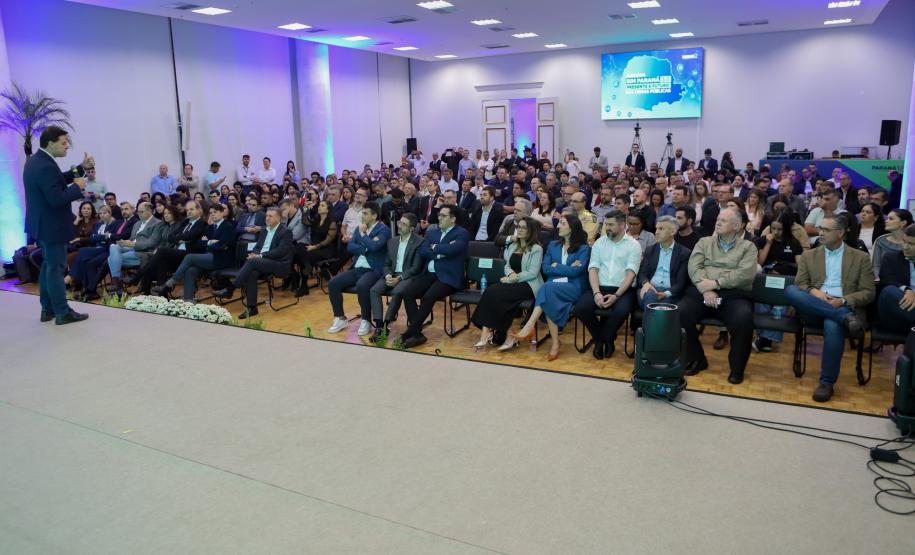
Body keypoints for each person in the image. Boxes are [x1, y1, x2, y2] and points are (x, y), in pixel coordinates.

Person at [785, 213, 875, 402]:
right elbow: (801, 283)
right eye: (820, 228)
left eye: (826, 229)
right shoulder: (810, 255)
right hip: (814, 305)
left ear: (841, 232)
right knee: (791, 290)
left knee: (832, 324)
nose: (821, 232)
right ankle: (843, 317)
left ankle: (826, 383)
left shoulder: (860, 258)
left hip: (842, 302)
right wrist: (815, 292)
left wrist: (843, 301)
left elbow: (868, 292)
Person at [23, 126, 95, 324]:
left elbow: (58, 179)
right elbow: (56, 198)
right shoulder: (45, 165)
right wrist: (77, 187)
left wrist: (80, 168)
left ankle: (47, 310)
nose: (67, 146)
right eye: (63, 143)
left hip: (43, 224)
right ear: (50, 143)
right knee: (56, 268)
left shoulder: (37, 161)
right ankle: (62, 312)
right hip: (52, 225)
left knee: (49, 266)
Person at [676, 208, 757, 384]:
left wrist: (716, 283)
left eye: (724, 220)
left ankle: (737, 369)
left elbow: (745, 274)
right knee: (680, 312)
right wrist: (705, 289)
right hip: (702, 291)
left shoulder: (748, 247)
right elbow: (694, 267)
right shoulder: (704, 242)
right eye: (718, 219)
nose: (718, 222)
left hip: (734, 295)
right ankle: (697, 359)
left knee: (744, 318)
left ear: (736, 226)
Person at [511, 214, 590, 360]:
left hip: (574, 287)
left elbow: (577, 271)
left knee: (547, 288)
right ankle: (554, 343)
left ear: (572, 228)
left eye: (562, 223)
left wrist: (557, 266)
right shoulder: (553, 245)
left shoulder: (583, 249)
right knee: (549, 293)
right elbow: (546, 269)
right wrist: (566, 267)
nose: (558, 226)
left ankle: (530, 326)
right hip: (554, 285)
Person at [397, 205, 469, 349]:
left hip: (448, 277)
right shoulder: (432, 232)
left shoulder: (461, 233)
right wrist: (441, 251)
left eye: (443, 216)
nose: (439, 218)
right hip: (429, 274)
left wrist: (435, 247)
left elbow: (453, 249)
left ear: (453, 219)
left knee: (428, 297)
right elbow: (423, 250)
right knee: (407, 293)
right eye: (439, 215)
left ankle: (411, 331)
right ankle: (417, 333)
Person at [573, 209, 641, 359]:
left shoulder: (633, 245)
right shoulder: (599, 242)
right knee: (580, 309)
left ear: (623, 225)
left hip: (623, 289)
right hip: (600, 286)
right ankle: (601, 339)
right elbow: (593, 269)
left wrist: (616, 296)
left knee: (621, 311)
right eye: (606, 224)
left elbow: (630, 274)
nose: (607, 228)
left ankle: (605, 338)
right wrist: (596, 292)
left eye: (611, 224)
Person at [471, 217, 544, 351]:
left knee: (494, 293)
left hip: (528, 284)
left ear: (531, 230)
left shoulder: (536, 248)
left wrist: (512, 279)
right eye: (519, 227)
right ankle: (497, 334)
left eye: (524, 228)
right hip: (512, 281)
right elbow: (507, 265)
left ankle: (487, 334)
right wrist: (510, 274)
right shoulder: (513, 245)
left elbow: (532, 273)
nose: (520, 230)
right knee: (492, 292)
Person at [213, 207, 293, 319]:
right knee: (251, 273)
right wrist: (254, 253)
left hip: (279, 264)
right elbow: (257, 247)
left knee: (252, 262)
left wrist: (259, 256)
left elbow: (281, 251)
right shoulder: (264, 230)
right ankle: (252, 308)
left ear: (279, 218)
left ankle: (231, 289)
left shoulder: (286, 231)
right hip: (262, 262)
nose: (267, 218)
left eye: (270, 216)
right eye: (266, 216)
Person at [326, 202, 392, 336]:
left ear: (374, 215)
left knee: (362, 285)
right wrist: (365, 247)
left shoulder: (384, 230)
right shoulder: (359, 228)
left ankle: (366, 319)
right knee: (333, 283)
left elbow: (375, 246)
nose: (362, 215)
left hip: (374, 270)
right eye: (362, 212)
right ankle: (340, 318)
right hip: (357, 268)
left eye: (365, 213)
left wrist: (363, 236)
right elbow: (351, 247)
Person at [151, 203, 237, 300]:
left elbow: (222, 246)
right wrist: (209, 242)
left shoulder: (228, 227)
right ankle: (189, 300)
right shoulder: (210, 227)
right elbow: (199, 243)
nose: (212, 214)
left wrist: (207, 243)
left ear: (222, 213)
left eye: (215, 212)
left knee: (190, 257)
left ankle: (168, 284)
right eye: (211, 213)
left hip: (222, 259)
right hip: (208, 257)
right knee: (190, 270)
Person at [369, 213, 426, 342]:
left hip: (407, 276)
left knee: (398, 291)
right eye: (400, 222)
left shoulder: (419, 242)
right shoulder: (392, 241)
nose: (399, 226)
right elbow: (387, 264)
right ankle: (378, 325)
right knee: (374, 290)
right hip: (392, 274)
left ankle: (386, 325)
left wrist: (399, 278)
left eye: (404, 224)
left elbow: (415, 268)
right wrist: (388, 275)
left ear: (412, 228)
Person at [752, 210, 803, 352]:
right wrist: (768, 243)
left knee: (780, 306)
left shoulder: (794, 244)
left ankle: (765, 339)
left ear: (786, 228)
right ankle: (765, 339)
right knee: (762, 301)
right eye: (773, 228)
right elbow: (760, 263)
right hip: (766, 278)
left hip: (784, 280)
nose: (776, 232)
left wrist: (783, 270)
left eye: (779, 229)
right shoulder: (763, 239)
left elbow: (800, 267)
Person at [106, 202, 166, 293]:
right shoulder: (137, 223)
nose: (139, 214)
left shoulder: (158, 223)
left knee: (111, 259)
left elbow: (152, 243)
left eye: (142, 212)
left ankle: (117, 284)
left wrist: (133, 244)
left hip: (144, 251)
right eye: (138, 212)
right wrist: (124, 243)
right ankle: (117, 283)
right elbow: (131, 239)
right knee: (114, 246)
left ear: (150, 211)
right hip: (131, 248)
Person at [636, 216, 690, 308]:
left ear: (672, 232)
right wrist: (646, 283)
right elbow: (642, 274)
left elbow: (681, 282)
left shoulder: (684, 253)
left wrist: (666, 293)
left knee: (663, 304)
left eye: (661, 229)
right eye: (656, 228)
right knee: (651, 297)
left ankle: (650, 322)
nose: (656, 232)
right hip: (650, 288)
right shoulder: (650, 250)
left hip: (670, 291)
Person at [877, 224, 915, 333]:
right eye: (904, 241)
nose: (905, 246)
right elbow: (886, 281)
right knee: (889, 291)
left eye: (911, 244)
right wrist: (908, 290)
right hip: (896, 315)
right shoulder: (891, 258)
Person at [872, 209, 914, 278]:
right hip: (885, 281)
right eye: (887, 218)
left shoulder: (913, 240)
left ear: (903, 223)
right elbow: (876, 265)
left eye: (891, 219)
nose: (886, 221)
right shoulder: (881, 240)